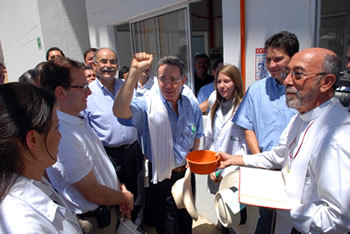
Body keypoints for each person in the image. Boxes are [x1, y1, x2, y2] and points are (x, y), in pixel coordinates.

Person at [218, 48, 350, 233]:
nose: (287, 81)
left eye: (298, 74)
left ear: (326, 82)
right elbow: (279, 155)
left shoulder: (336, 136)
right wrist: (235, 160)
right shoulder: (300, 118)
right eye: (288, 73)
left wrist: (283, 206)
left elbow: (338, 220)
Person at [40, 57, 134, 234]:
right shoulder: (62, 134)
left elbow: (99, 163)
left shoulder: (75, 120)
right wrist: (124, 197)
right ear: (60, 92)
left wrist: (118, 187)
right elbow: (91, 192)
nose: (89, 93)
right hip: (95, 221)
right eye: (82, 87)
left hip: (108, 210)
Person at [113, 53, 203, 234]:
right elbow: (120, 111)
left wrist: (192, 159)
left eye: (173, 79)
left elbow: (197, 134)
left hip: (186, 175)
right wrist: (134, 73)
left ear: (183, 80)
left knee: (186, 222)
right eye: (163, 79)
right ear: (156, 79)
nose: (168, 85)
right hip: (162, 177)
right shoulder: (148, 105)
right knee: (167, 225)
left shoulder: (190, 104)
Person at [232, 31, 299, 233]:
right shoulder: (256, 90)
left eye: (278, 59)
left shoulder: (303, 90)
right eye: (268, 59)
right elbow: (248, 127)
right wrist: (261, 160)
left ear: (293, 58)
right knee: (266, 220)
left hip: (296, 173)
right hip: (265, 170)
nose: (271, 65)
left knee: (292, 223)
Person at [0, 82, 82, 233]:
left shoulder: (35, 179)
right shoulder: (23, 225)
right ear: (33, 139)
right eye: (56, 127)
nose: (60, 136)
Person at [85, 48, 145, 229]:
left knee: (138, 197)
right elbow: (86, 132)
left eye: (112, 62)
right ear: (94, 65)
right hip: (108, 155)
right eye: (104, 62)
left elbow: (139, 115)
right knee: (117, 200)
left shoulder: (127, 86)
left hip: (133, 152)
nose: (108, 66)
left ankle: (137, 229)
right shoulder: (87, 94)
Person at [203, 65, 246, 234]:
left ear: (236, 82)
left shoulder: (244, 106)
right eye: (219, 81)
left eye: (227, 81)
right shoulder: (215, 103)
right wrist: (210, 167)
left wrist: (228, 167)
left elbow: (244, 146)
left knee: (236, 219)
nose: (222, 85)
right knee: (222, 213)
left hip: (235, 172)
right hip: (215, 170)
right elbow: (210, 139)